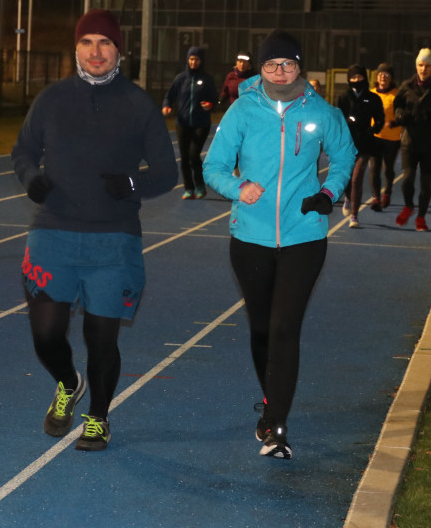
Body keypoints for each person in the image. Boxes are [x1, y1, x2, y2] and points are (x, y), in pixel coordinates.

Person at [10, 9, 178, 452]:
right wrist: (32, 179)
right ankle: (69, 383)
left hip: (114, 239)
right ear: (76, 49)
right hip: (53, 235)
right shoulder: (51, 98)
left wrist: (132, 184)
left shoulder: (138, 103)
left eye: (105, 43)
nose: (96, 51)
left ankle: (98, 417)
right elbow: (23, 150)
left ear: (118, 50)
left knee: (101, 338)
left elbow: (166, 172)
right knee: (46, 334)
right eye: (87, 42)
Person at [203, 30, 355, 459]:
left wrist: (329, 192)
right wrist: (238, 186)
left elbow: (345, 155)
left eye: (288, 64)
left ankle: (277, 428)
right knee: (262, 329)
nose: (280, 72)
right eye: (272, 64)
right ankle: (271, 405)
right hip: (249, 237)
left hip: (304, 236)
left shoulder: (323, 112)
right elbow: (213, 165)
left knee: (286, 328)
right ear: (262, 67)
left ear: (300, 66)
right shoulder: (241, 111)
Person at [392, 48, 431, 232]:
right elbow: (397, 106)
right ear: (416, 66)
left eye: (427, 65)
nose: (423, 69)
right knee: (406, 179)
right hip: (409, 141)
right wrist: (401, 115)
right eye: (420, 65)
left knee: (425, 184)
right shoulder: (406, 86)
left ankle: (421, 217)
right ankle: (408, 205)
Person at [162, 46, 217, 199]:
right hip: (183, 123)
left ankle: (199, 186)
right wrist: (166, 106)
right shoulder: (181, 79)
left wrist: (210, 105)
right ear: (188, 60)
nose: (193, 62)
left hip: (201, 123)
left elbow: (214, 98)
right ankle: (189, 188)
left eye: (197, 59)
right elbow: (170, 96)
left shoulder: (206, 79)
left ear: (201, 61)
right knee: (184, 157)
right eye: (191, 59)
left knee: (194, 155)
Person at [335, 65, 384, 227]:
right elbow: (337, 119)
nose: (356, 80)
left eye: (359, 77)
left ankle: (354, 216)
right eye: (353, 77)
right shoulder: (343, 97)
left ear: (365, 78)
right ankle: (348, 197)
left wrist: (373, 128)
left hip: (365, 143)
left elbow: (380, 119)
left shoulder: (373, 98)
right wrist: (347, 122)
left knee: (357, 178)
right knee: (347, 179)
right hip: (347, 144)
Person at [371, 63, 402, 210]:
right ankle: (376, 197)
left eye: (386, 74)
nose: (383, 76)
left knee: (388, 168)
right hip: (375, 136)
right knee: (374, 168)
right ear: (377, 78)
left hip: (392, 138)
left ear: (391, 78)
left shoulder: (397, 94)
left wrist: (395, 121)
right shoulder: (371, 94)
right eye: (380, 74)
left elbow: (402, 114)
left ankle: (387, 193)